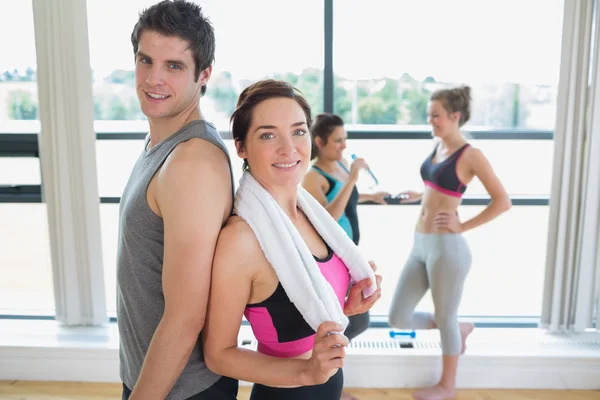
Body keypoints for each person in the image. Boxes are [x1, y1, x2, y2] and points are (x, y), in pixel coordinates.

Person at [203, 79, 383, 400]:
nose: (289, 149)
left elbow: (306, 310)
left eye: (298, 131)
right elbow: (218, 354)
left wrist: (346, 308)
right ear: (241, 147)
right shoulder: (241, 240)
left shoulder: (312, 216)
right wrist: (305, 372)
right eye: (268, 135)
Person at [116, 1, 237, 399]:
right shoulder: (163, 141)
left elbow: (186, 317)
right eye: (145, 60)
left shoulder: (192, 162)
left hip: (181, 390)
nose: (153, 79)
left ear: (204, 75)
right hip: (156, 377)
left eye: (174, 66)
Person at [388, 86, 511, 400]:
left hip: (447, 248)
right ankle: (459, 328)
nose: (431, 121)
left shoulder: (471, 154)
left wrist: (463, 225)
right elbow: (438, 187)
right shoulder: (438, 146)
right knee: (397, 317)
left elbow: (502, 201)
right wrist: (418, 196)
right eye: (429, 115)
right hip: (420, 244)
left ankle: (447, 385)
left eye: (436, 116)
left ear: (455, 116)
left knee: (445, 318)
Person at [302, 113, 389, 400]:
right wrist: (353, 177)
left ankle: (325, 380)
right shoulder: (314, 176)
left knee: (357, 320)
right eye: (338, 140)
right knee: (353, 322)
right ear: (320, 142)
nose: (343, 146)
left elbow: (346, 196)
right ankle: (322, 381)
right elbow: (327, 216)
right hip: (331, 261)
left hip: (347, 258)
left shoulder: (338, 166)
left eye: (344, 139)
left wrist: (370, 196)